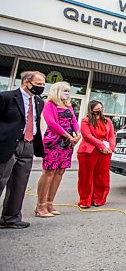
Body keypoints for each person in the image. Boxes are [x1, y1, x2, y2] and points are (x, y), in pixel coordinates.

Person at [0, 71, 45, 228]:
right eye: (39, 84)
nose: (42, 87)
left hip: (28, 144)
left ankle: (10, 218)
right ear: (27, 82)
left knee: (19, 183)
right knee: (1, 179)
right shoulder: (6, 98)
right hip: (8, 144)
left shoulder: (39, 102)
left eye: (43, 85)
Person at [35, 81, 81, 217]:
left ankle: (50, 203)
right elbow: (52, 123)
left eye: (68, 91)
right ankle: (40, 205)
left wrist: (78, 135)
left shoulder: (68, 106)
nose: (67, 93)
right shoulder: (49, 104)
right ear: (56, 91)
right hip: (54, 141)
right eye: (64, 90)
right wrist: (68, 135)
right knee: (49, 171)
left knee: (60, 171)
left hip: (67, 143)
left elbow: (74, 121)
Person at [77, 100, 115, 208]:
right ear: (91, 109)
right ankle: (85, 200)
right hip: (89, 151)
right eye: (97, 108)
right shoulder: (85, 121)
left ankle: (98, 199)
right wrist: (101, 145)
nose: (99, 110)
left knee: (102, 176)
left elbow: (112, 136)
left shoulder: (107, 121)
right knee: (86, 176)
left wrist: (111, 147)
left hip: (105, 152)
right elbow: (87, 136)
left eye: (101, 108)